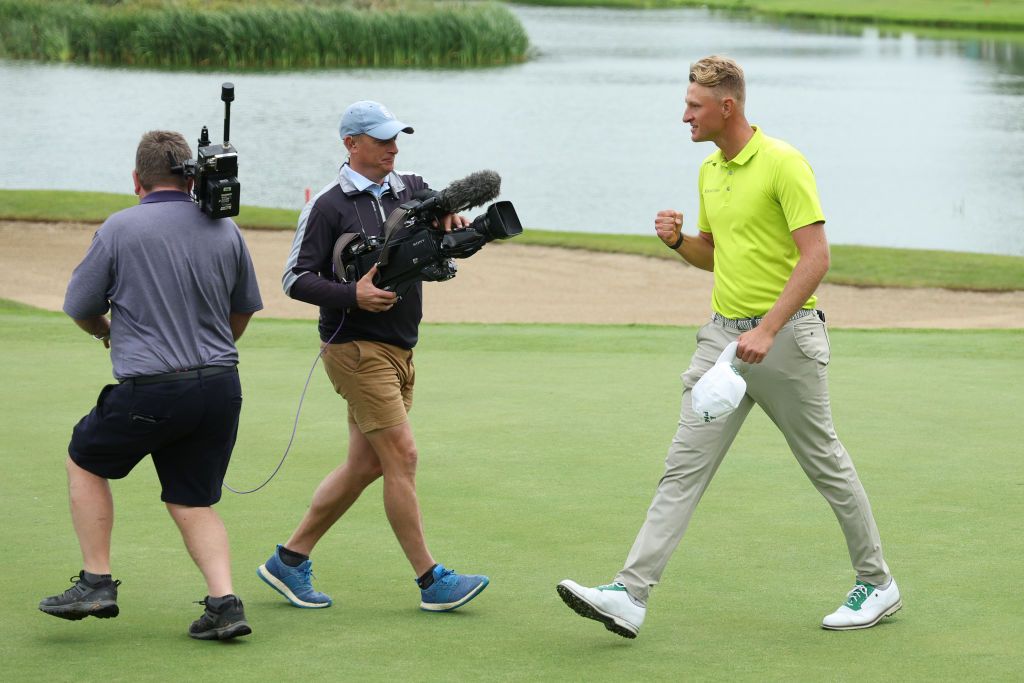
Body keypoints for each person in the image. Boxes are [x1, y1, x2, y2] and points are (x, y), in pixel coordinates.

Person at [557, 56, 900, 637]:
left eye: (693, 105)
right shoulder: (710, 170)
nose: (683, 115)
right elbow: (716, 255)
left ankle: (879, 583)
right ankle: (630, 594)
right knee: (682, 467)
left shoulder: (783, 163)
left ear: (727, 107)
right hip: (722, 339)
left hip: (787, 339)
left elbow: (816, 258)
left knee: (825, 464)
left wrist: (767, 328)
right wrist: (678, 242)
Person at [260, 100, 488, 612]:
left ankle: (289, 561)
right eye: (382, 139)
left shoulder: (411, 187)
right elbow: (294, 278)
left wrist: (451, 223)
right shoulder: (327, 205)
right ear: (351, 144)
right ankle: (433, 581)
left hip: (401, 345)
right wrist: (353, 296)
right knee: (402, 456)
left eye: (395, 138)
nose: (393, 148)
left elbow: (437, 227)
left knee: (364, 465)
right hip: (354, 348)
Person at [39, 131, 263, 641]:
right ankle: (224, 604)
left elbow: (81, 306)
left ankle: (96, 580)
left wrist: (105, 332)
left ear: (137, 179)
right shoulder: (224, 228)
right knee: (191, 498)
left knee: (84, 457)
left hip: (155, 389)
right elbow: (244, 307)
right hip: (220, 388)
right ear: (190, 177)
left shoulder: (121, 228)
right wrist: (211, 349)